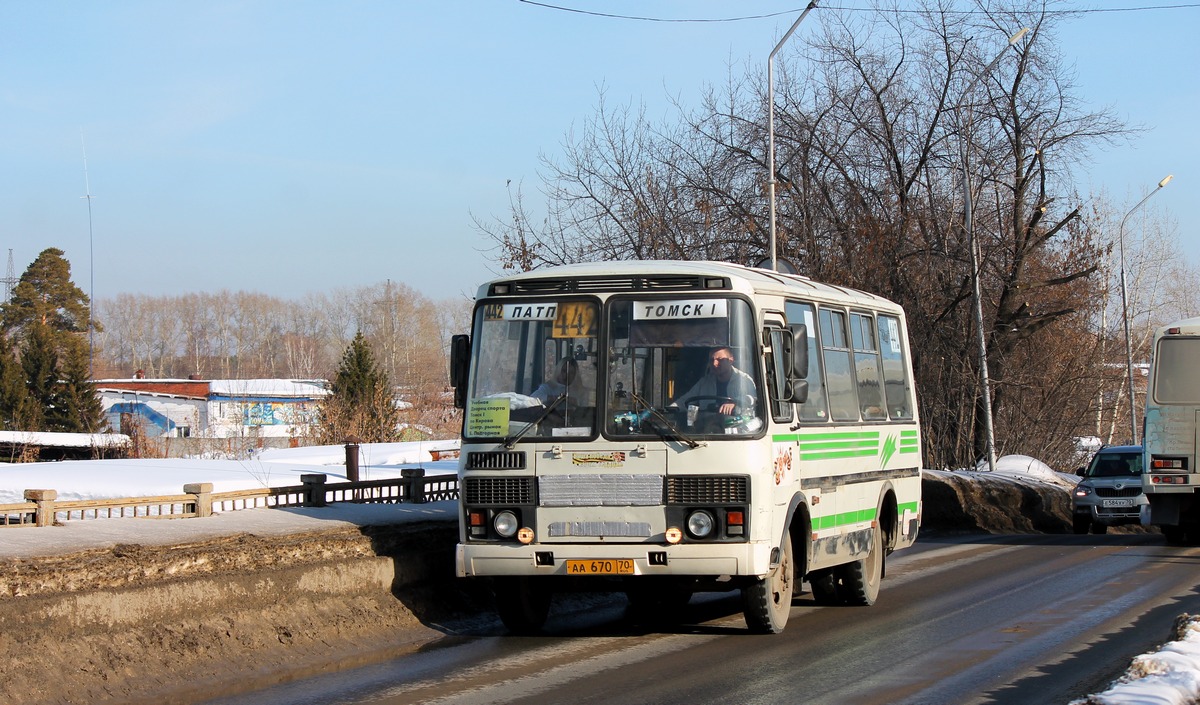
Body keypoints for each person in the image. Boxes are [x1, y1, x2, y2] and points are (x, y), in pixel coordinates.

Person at [672, 346, 757, 415]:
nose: (714, 364)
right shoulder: (704, 382)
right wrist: (669, 410)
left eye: (720, 360)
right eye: (711, 360)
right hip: (708, 430)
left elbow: (753, 398)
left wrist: (736, 403)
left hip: (737, 431)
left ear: (730, 360)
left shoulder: (744, 380)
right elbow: (684, 401)